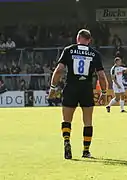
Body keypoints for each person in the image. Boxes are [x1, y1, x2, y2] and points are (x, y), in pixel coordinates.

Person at [48, 29, 108, 159]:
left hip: (71, 87)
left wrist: (53, 87)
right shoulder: (94, 54)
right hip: (86, 88)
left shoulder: (69, 50)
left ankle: (67, 141)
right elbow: (101, 76)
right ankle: (86, 151)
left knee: (66, 119)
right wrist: (103, 92)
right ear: (89, 40)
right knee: (88, 121)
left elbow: (59, 70)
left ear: (77, 38)